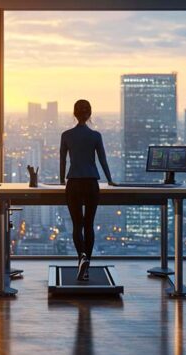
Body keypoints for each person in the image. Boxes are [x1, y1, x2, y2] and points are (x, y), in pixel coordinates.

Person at [60, 99, 114, 281]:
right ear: (89, 114)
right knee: (89, 224)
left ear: (74, 114)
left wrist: (61, 180)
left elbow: (63, 161)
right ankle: (88, 264)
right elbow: (103, 161)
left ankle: (80, 258)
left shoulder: (66, 135)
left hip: (73, 183)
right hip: (91, 183)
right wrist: (111, 180)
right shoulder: (96, 136)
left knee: (77, 225)